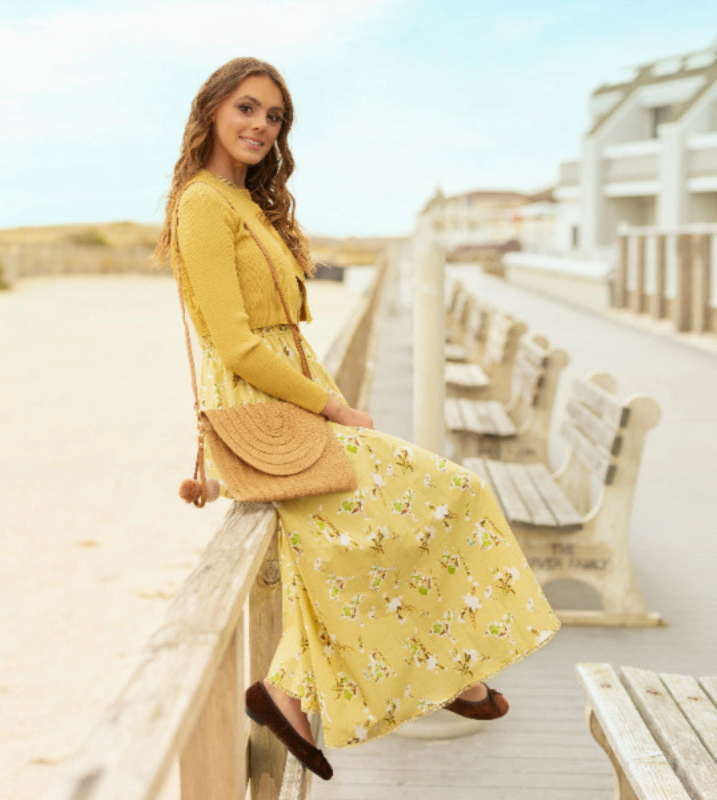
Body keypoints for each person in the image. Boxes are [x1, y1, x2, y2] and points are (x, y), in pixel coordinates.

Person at [155, 57, 560, 781]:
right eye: (247, 109)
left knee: (349, 541)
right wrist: (334, 407)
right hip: (268, 411)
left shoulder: (246, 200)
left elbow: (278, 331)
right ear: (212, 108)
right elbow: (238, 341)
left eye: (274, 117)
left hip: (294, 400)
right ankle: (443, 675)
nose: (260, 126)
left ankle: (299, 688)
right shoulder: (202, 204)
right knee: (449, 492)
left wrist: (326, 399)